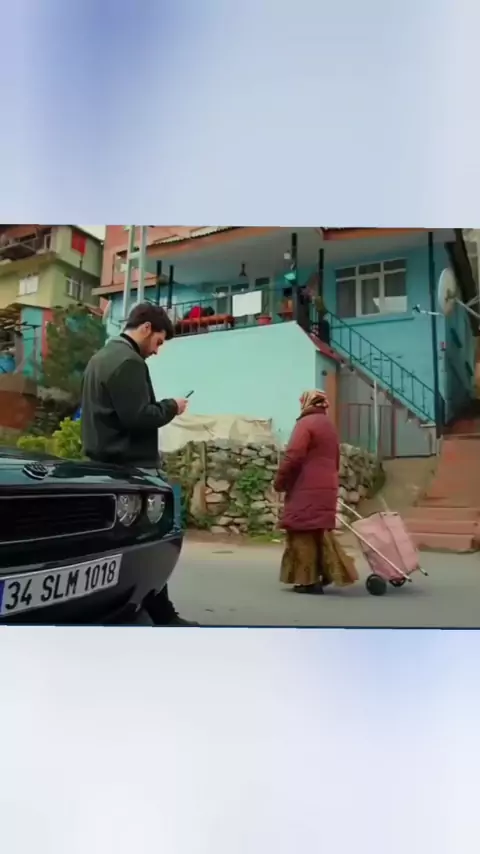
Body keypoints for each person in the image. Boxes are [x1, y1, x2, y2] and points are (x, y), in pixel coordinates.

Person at [81, 301, 196, 626]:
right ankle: (162, 615)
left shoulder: (101, 358)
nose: (157, 350)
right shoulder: (128, 361)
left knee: (117, 546)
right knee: (153, 543)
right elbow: (138, 417)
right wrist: (171, 406)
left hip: (102, 464)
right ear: (146, 328)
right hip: (131, 467)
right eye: (158, 341)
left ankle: (130, 609)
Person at [274, 390, 358, 594]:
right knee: (319, 531)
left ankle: (307, 581)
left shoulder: (306, 424)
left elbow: (294, 456)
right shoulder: (328, 425)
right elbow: (335, 459)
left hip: (305, 486)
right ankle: (327, 573)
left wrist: (280, 481)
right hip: (326, 485)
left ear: (307, 403)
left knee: (302, 532)